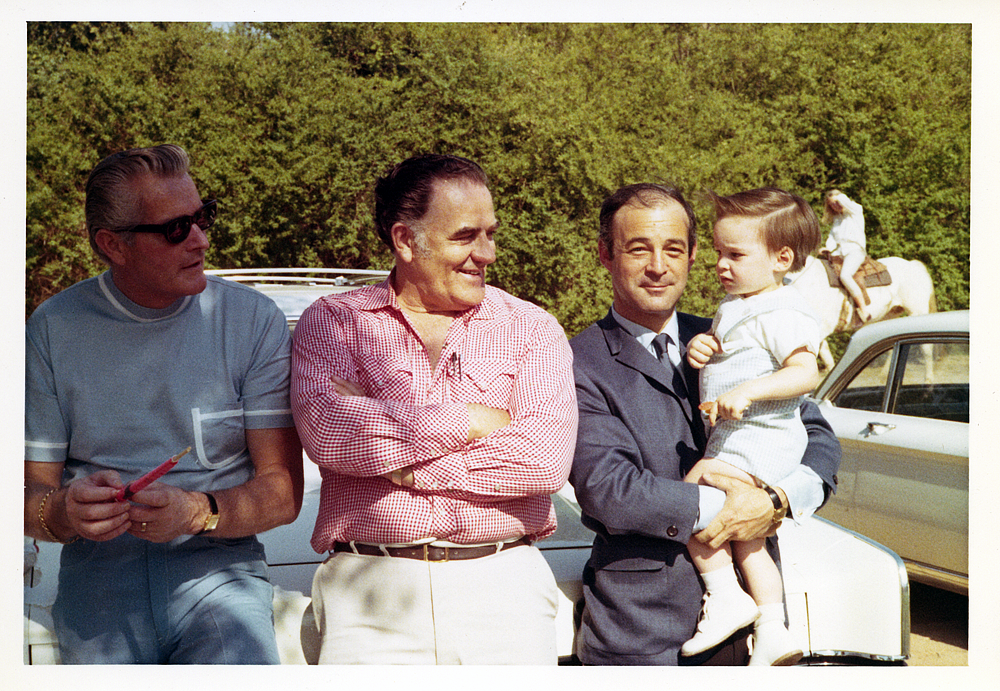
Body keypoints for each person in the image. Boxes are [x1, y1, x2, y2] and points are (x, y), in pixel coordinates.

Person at [290, 153, 578, 665]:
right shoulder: (335, 321)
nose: (486, 253)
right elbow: (329, 430)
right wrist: (471, 419)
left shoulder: (531, 327)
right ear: (405, 240)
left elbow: (545, 458)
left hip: (504, 588)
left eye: (491, 233)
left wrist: (399, 458)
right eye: (466, 236)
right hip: (368, 595)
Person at [24, 144, 304, 664]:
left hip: (223, 575)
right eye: (176, 228)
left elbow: (284, 494)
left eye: (203, 217)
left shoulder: (254, 321)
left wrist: (199, 512)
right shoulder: (52, 328)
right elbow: (28, 497)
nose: (199, 239)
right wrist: (63, 510)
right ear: (113, 245)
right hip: (98, 585)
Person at [569, 183, 840, 666]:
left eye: (674, 249)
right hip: (643, 633)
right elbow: (608, 488)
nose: (658, 266)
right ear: (605, 255)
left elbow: (816, 435)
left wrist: (774, 501)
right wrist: (734, 507)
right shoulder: (575, 361)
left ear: (694, 255)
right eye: (638, 249)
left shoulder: (735, 330)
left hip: (754, 637)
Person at [680, 188, 822, 666]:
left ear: (782, 258)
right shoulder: (737, 305)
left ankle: (724, 596)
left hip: (763, 439)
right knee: (749, 540)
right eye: (718, 252)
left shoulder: (783, 310)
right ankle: (772, 624)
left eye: (735, 254)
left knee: (691, 491)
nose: (721, 264)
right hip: (741, 439)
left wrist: (750, 390)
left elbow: (806, 372)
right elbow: (729, 352)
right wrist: (703, 347)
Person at [823, 189, 869, 322]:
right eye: (832, 205)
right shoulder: (837, 219)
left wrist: (838, 197)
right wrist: (828, 247)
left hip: (855, 251)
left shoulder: (855, 210)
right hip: (839, 252)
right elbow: (832, 237)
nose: (835, 206)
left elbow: (844, 200)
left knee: (845, 275)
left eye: (836, 202)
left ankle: (863, 309)